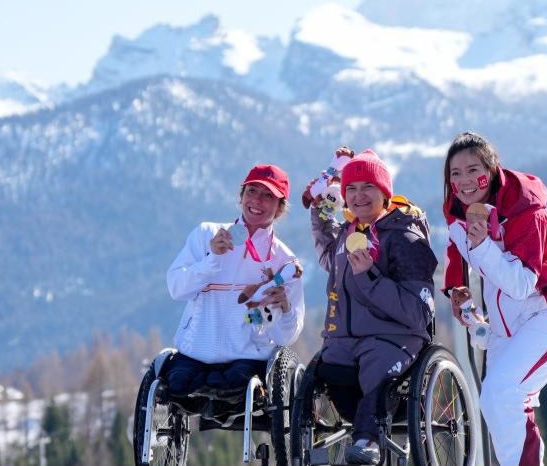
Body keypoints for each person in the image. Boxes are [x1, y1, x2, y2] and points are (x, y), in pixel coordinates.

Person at [442, 132, 547, 466]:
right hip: (505, 323)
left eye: (472, 169)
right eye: (455, 173)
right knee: (496, 403)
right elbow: (455, 245)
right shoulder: (458, 210)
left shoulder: (527, 213)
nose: (464, 181)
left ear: (492, 170)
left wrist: (483, 247)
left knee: (503, 393)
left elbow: (522, 285)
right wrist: (456, 287)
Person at [304, 149, 437, 465]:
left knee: (377, 371)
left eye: (368, 187)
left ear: (384, 192)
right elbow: (327, 251)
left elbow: (420, 313)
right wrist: (318, 209)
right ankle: (333, 439)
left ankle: (367, 441)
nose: (358, 196)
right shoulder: (349, 235)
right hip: (347, 341)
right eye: (351, 188)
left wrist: (370, 278)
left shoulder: (405, 237)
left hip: (395, 338)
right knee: (325, 369)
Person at [164, 163, 305, 409]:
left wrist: (284, 308)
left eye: (268, 196)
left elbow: (287, 336)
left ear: (280, 209)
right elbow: (176, 288)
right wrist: (211, 260)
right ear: (241, 197)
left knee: (233, 386)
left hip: (246, 359)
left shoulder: (284, 261)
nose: (257, 201)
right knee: (175, 386)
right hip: (195, 353)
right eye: (252, 191)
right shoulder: (206, 234)